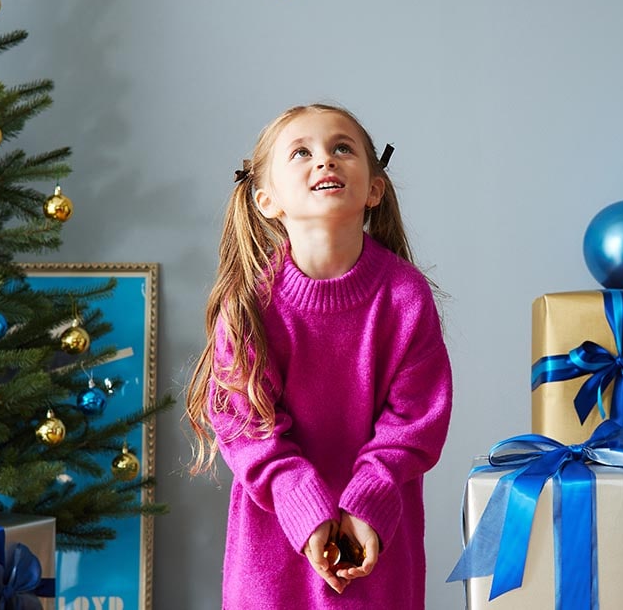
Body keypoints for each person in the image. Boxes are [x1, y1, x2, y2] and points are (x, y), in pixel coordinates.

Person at [185, 103, 453, 609]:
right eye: (302, 152)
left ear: (374, 188)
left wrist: (365, 505)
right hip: (273, 544)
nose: (325, 161)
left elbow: (416, 420)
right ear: (266, 199)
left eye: (342, 148)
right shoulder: (248, 305)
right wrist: (305, 509)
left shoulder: (405, 295)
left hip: (373, 538)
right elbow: (246, 427)